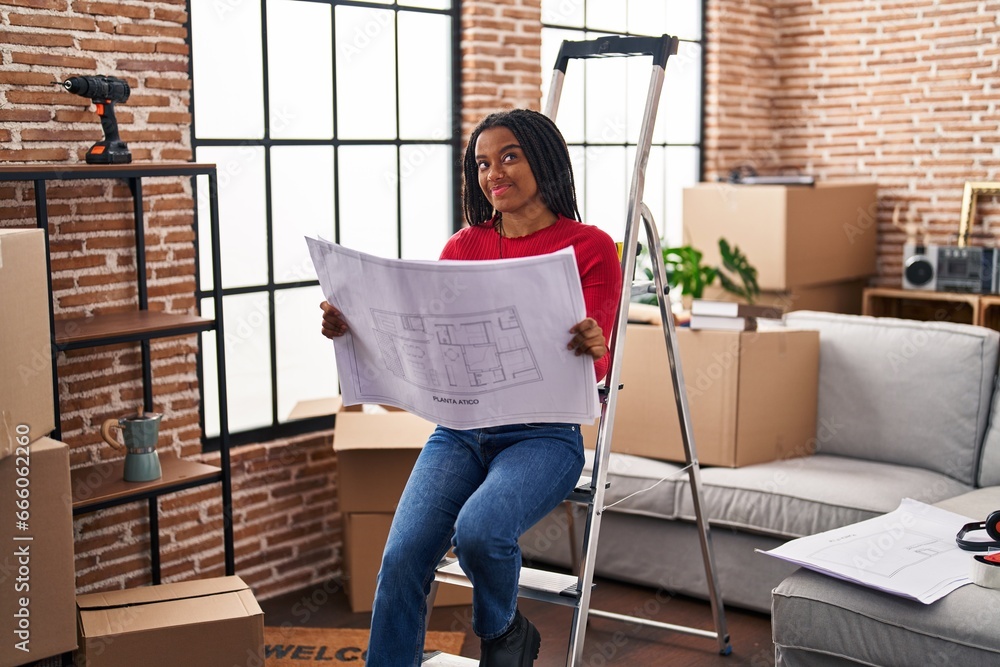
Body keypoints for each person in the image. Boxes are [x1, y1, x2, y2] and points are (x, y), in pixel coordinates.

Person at [320, 108, 622, 666]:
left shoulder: (591, 246)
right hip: (459, 433)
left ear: (544, 161)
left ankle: (503, 635)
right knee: (404, 557)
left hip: (543, 437)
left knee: (480, 530)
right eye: (482, 163)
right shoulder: (463, 247)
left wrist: (594, 343)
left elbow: (598, 362)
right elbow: (426, 346)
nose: (493, 174)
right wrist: (351, 329)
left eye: (509, 156)